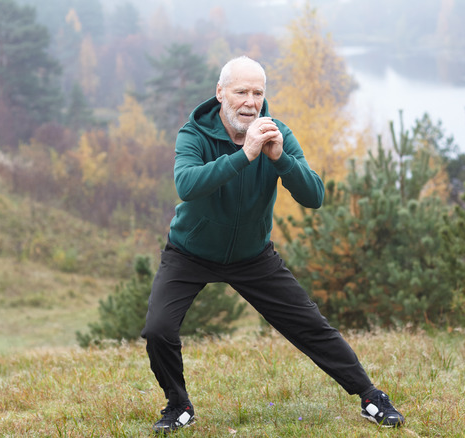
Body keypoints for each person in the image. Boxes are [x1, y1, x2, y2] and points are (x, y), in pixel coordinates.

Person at [140, 56, 405, 434]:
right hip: (189, 253)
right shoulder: (193, 134)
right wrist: (244, 155)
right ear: (220, 94)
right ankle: (178, 404)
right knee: (158, 330)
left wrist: (280, 159)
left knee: (311, 326)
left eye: (258, 93)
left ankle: (369, 396)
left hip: (252, 257)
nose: (250, 102)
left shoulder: (277, 133)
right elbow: (187, 185)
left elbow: (314, 196)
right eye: (241, 92)